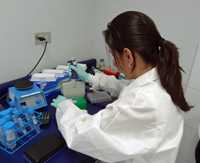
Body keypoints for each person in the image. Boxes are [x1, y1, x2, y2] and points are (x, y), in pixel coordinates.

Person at [51, 11, 192, 163]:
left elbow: (85, 134)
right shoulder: (161, 76)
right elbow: (127, 86)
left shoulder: (142, 100)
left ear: (128, 56)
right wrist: (91, 78)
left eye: (113, 55)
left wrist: (65, 107)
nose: (114, 62)